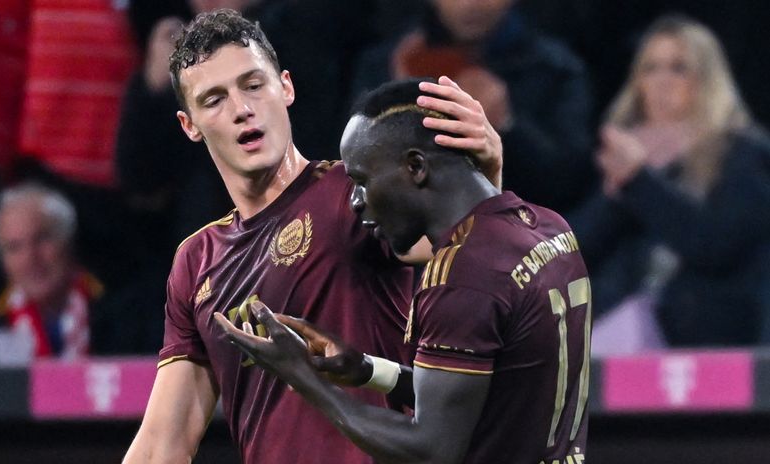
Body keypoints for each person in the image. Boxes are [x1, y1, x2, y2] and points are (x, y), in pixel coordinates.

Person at [123, 9, 502, 464]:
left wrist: (488, 173)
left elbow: (472, 255)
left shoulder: (357, 193)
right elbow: (163, 443)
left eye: (252, 85)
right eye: (214, 99)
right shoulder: (196, 260)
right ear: (190, 125)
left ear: (286, 86)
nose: (242, 109)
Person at [216, 78, 592, 463]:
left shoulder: (463, 277)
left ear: (415, 167)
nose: (356, 201)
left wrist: (302, 377)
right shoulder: (550, 228)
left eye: (362, 180)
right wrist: (364, 370)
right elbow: (477, 394)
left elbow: (429, 449)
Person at [569, 15, 770, 352]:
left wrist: (641, 181)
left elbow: (715, 245)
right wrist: (621, 186)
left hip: (718, 350)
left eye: (679, 68)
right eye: (651, 68)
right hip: (627, 341)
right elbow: (575, 253)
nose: (663, 82)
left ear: (707, 81)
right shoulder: (629, 157)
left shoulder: (745, 154)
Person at [351, 0, 594, 214]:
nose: (470, 3)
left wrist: (507, 124)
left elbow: (569, 187)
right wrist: (397, 108)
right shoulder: (386, 65)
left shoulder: (555, 70)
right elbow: (352, 172)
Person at [0, 183, 103, 363]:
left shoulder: (122, 316)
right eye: (14, 247)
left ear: (68, 240)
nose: (30, 258)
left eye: (41, 239)